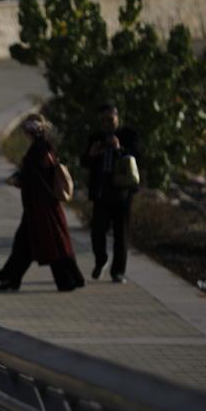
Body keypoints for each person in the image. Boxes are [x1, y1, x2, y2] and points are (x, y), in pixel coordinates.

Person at [0, 113, 86, 292]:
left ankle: (68, 280)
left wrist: (20, 180)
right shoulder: (44, 148)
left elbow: (36, 178)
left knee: (52, 244)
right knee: (28, 243)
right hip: (39, 206)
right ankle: (11, 277)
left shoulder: (40, 150)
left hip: (42, 208)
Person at [80, 103, 140, 283]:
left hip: (122, 192)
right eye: (103, 121)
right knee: (97, 231)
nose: (107, 124)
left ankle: (118, 271)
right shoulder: (96, 137)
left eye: (110, 119)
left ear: (117, 117)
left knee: (121, 233)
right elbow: (84, 162)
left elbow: (137, 157)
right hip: (101, 192)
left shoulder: (128, 135)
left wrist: (119, 149)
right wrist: (91, 154)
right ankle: (101, 259)